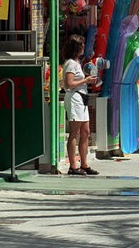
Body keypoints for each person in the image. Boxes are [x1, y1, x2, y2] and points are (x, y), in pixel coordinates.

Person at [62, 34, 99, 176]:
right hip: (75, 97)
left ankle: (84, 163)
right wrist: (86, 81)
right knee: (75, 132)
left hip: (82, 98)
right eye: (82, 45)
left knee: (85, 132)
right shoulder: (71, 63)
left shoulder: (77, 63)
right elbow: (69, 84)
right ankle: (73, 165)